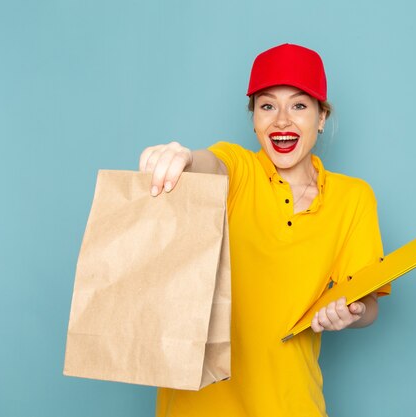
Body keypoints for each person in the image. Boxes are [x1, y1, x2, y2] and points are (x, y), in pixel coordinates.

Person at [139, 43, 391, 417]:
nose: (282, 121)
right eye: (268, 105)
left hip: (291, 405)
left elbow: (368, 304)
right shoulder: (240, 171)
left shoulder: (353, 198)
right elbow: (211, 164)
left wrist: (350, 311)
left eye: (300, 106)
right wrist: (183, 157)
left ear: (322, 117)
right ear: (253, 117)